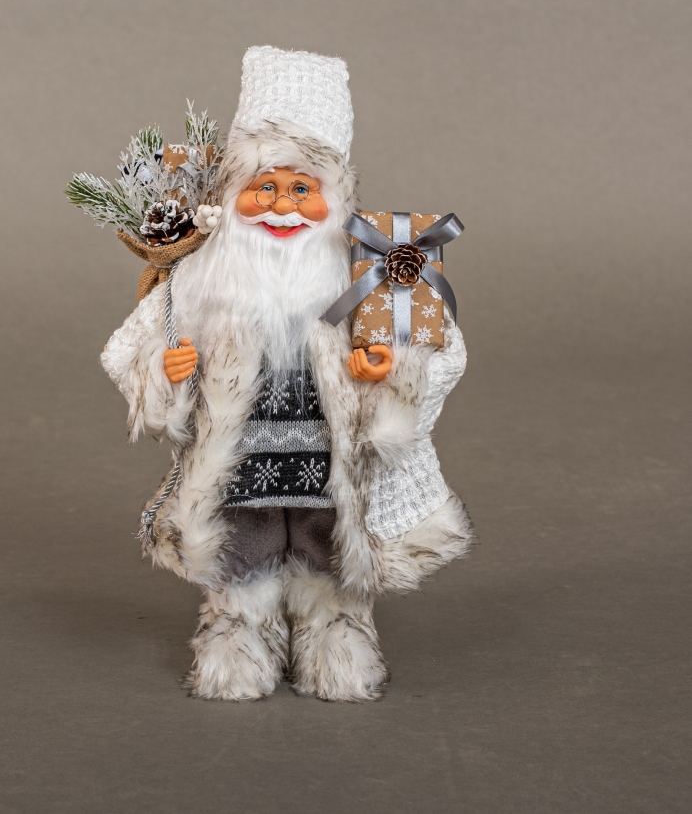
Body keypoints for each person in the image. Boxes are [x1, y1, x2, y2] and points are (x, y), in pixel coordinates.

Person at [102, 46, 472, 701]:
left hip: (327, 461)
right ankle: (236, 634)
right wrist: (166, 371)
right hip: (239, 457)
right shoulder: (202, 277)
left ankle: (337, 634)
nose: (281, 206)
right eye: (264, 187)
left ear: (332, 195)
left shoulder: (364, 269)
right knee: (238, 546)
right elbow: (128, 348)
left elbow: (439, 349)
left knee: (329, 546)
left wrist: (388, 370)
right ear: (234, 192)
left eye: (301, 189)